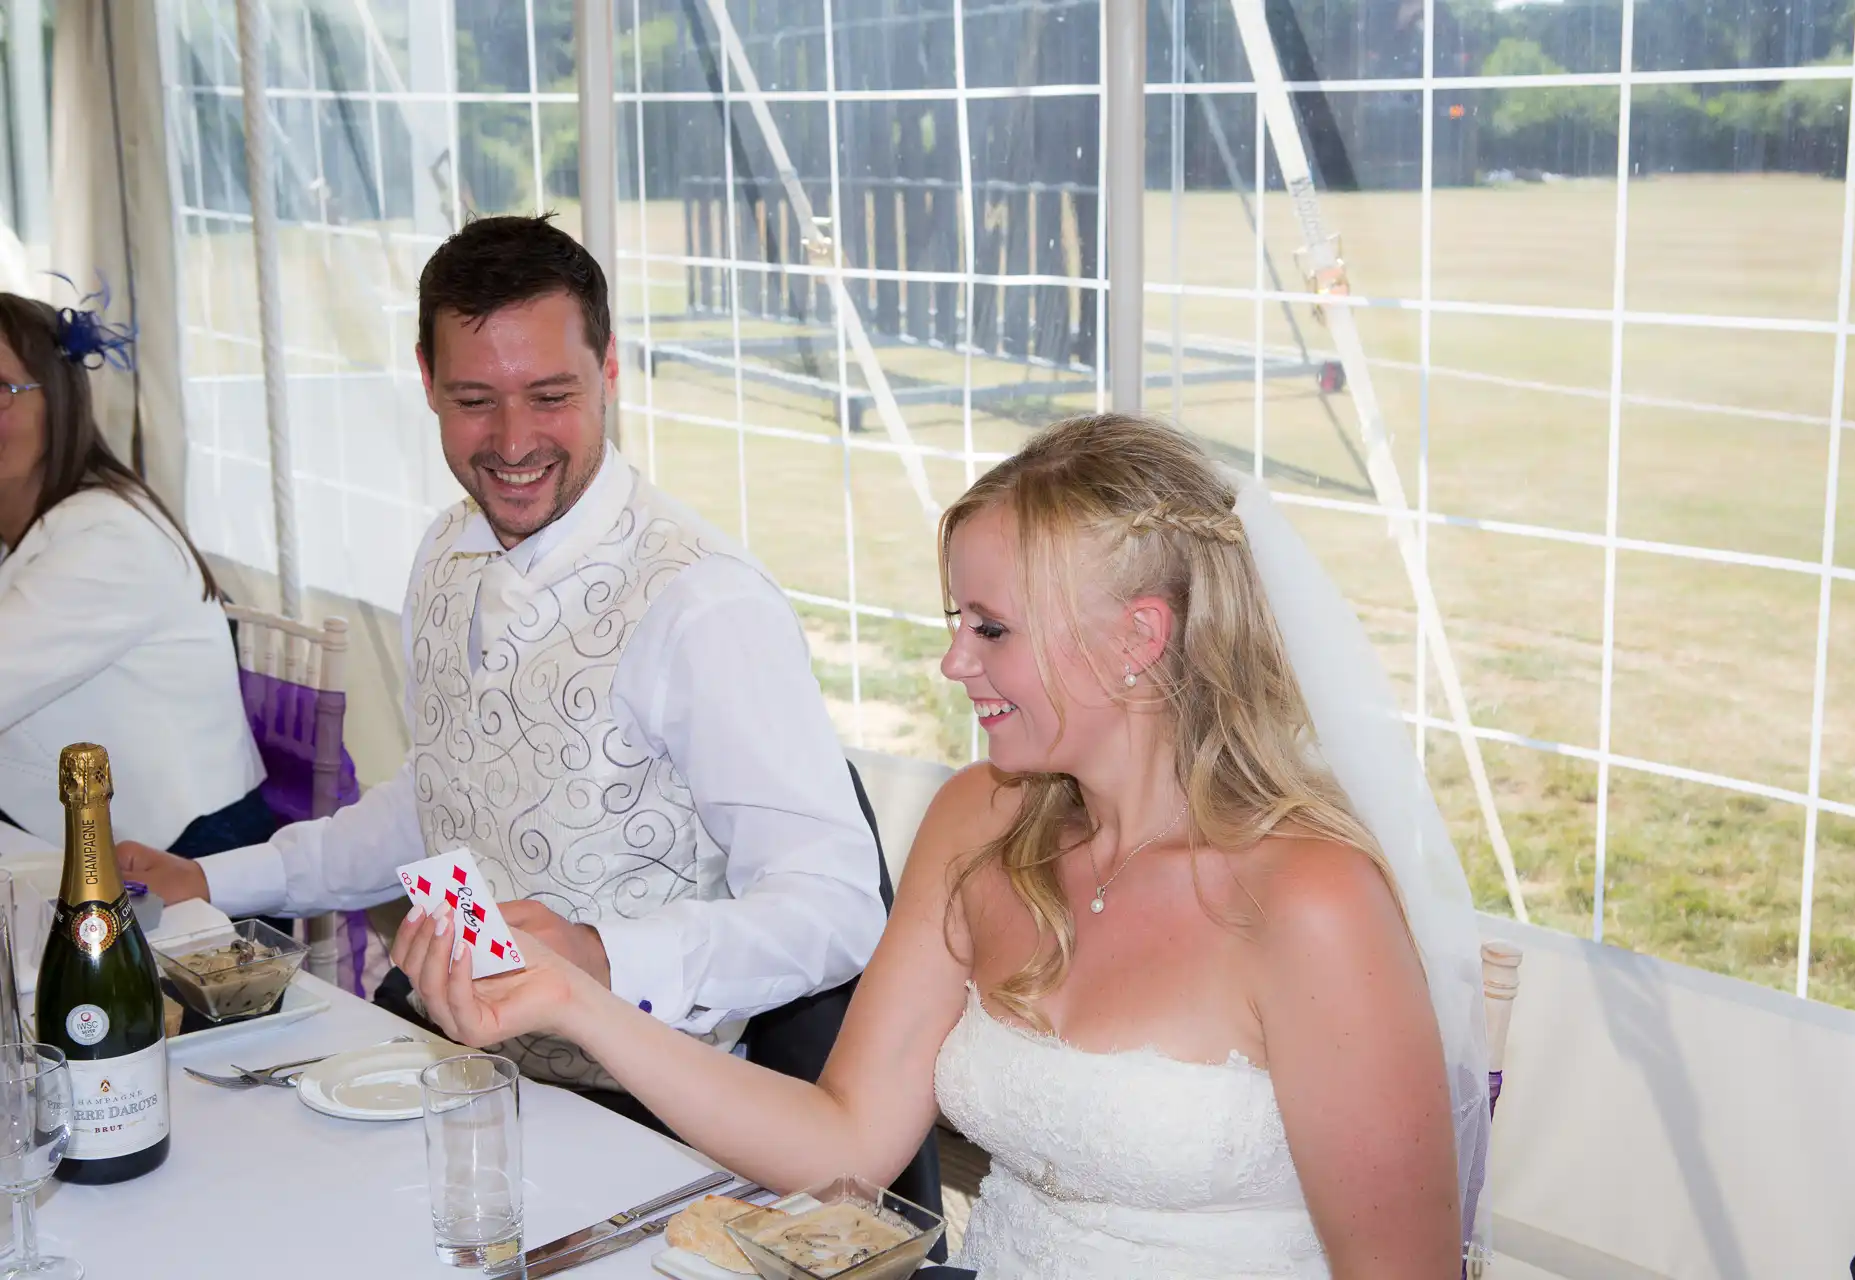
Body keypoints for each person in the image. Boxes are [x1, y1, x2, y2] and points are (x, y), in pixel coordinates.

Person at [395, 413, 1495, 1279]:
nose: (955, 663)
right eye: (956, 622)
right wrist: (575, 999)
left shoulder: (1309, 900)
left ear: (1137, 638)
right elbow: (843, 1142)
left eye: (992, 628)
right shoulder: (981, 822)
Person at [120, 215, 888, 1110]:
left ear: (609, 371)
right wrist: (215, 878)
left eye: (551, 395)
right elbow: (440, 797)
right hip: (453, 1054)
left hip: (644, 1106)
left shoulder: (704, 604)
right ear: (426, 381)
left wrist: (600, 956)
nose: (514, 442)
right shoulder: (445, 550)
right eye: (475, 399)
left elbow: (837, 907)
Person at [0, 289, 269, 854]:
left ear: (60, 399)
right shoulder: (20, 518)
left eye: (1, 390)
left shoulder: (108, 539)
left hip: (184, 856)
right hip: (56, 832)